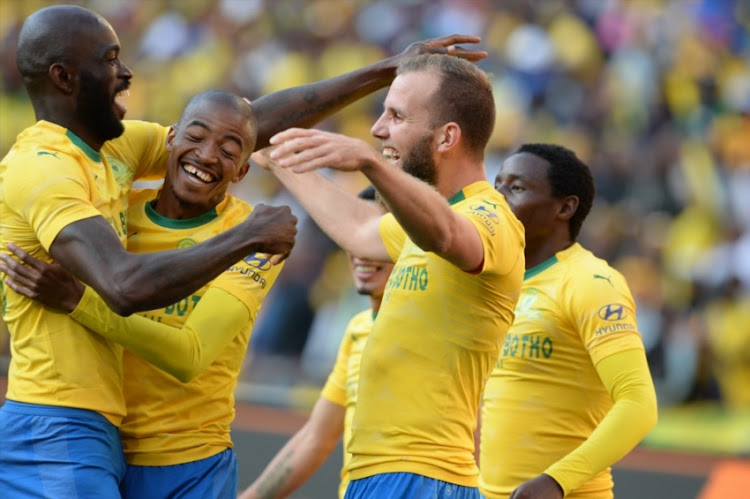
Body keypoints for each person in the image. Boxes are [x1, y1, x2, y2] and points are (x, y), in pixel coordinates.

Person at [0, 4, 487, 497]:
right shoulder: (47, 169)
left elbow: (248, 120)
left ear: (243, 167)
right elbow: (123, 285)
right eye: (108, 61)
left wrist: (385, 71)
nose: (125, 72)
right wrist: (247, 236)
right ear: (63, 77)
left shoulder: (114, 151)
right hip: (57, 418)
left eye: (231, 149)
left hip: (177, 454)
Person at [252, 54, 526, 498]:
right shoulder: (418, 224)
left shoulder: (491, 218)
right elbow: (360, 229)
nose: (378, 130)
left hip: (421, 476)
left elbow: (446, 234)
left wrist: (368, 162)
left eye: (396, 116)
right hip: (380, 476)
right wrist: (277, 156)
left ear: (446, 137)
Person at [480, 143, 658, 499]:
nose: (497, 199)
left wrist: (557, 481)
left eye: (515, 188)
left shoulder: (590, 284)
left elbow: (639, 404)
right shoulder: (493, 282)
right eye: (496, 185)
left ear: (565, 206)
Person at [239, 187, 393, 499]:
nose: (361, 252)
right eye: (353, 237)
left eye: (377, 239)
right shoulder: (359, 329)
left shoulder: (437, 324)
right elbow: (317, 437)